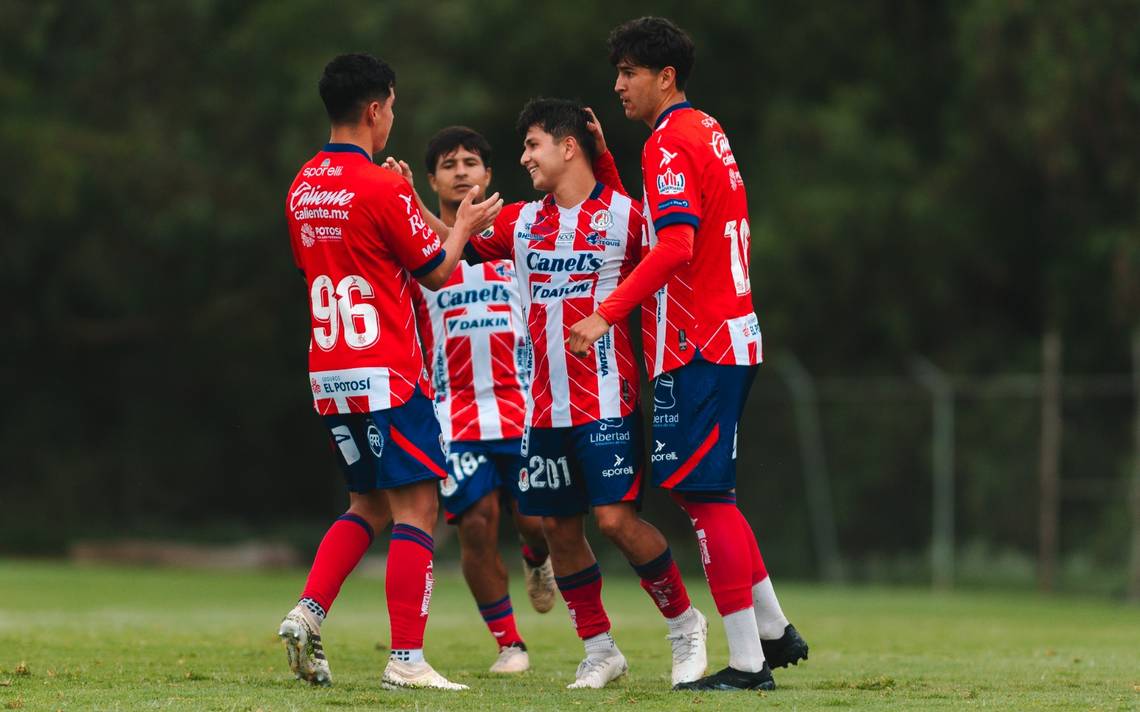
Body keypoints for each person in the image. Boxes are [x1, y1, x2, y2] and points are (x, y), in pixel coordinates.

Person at [568, 16, 810, 691]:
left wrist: (604, 313)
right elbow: (670, 227)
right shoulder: (704, 129)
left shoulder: (670, 142)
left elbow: (674, 246)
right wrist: (613, 164)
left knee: (706, 499)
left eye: (629, 72)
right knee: (708, 493)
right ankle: (772, 630)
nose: (618, 84)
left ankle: (748, 665)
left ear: (665, 77)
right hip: (727, 332)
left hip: (699, 340)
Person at [462, 98, 709, 690]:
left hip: (608, 399)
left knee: (616, 521)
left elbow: (676, 253)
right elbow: (447, 240)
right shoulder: (521, 221)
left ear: (569, 147)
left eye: (532, 144)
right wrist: (407, 205)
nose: (523, 157)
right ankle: (600, 650)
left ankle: (685, 625)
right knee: (558, 529)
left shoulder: (627, 216)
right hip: (543, 408)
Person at [279, 53, 501, 692]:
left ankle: (308, 610)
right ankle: (406, 657)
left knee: (367, 503)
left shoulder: (302, 185)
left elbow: (316, 268)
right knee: (418, 507)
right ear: (376, 108)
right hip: (388, 371)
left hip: (331, 370)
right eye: (393, 109)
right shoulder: (382, 185)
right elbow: (439, 272)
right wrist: (460, 225)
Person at [409, 126, 557, 675]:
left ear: (489, 174)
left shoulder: (516, 235)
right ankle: (509, 643)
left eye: (472, 161)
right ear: (433, 179)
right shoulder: (419, 249)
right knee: (475, 521)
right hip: (456, 413)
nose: (462, 171)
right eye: (449, 164)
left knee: (536, 520)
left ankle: (537, 560)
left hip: (522, 407)